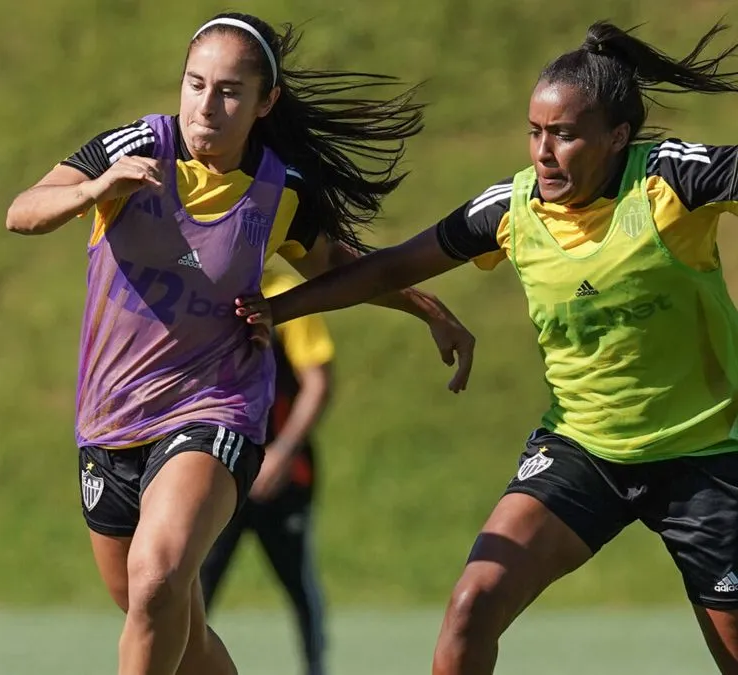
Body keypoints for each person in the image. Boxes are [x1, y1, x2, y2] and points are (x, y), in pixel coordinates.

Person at [235, 18, 738, 675]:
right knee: (471, 606)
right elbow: (388, 268)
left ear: (617, 137)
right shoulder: (510, 208)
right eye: (535, 132)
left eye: (564, 134)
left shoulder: (670, 180)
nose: (544, 152)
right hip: (584, 452)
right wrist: (278, 308)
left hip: (706, 457)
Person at [5, 11, 475, 675]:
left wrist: (427, 308)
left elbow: (339, 266)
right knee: (178, 631)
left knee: (159, 577)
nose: (207, 105)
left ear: (265, 102)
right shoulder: (133, 147)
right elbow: (21, 211)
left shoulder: (279, 190)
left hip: (214, 408)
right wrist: (92, 189)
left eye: (229, 91)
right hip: (108, 423)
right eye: (196, 84)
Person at [200, 267, 335, 675]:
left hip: (282, 480)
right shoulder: (206, 290)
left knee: (299, 586)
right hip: (217, 473)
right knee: (193, 590)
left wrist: (281, 453)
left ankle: (315, 667)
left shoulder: (286, 294)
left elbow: (318, 382)